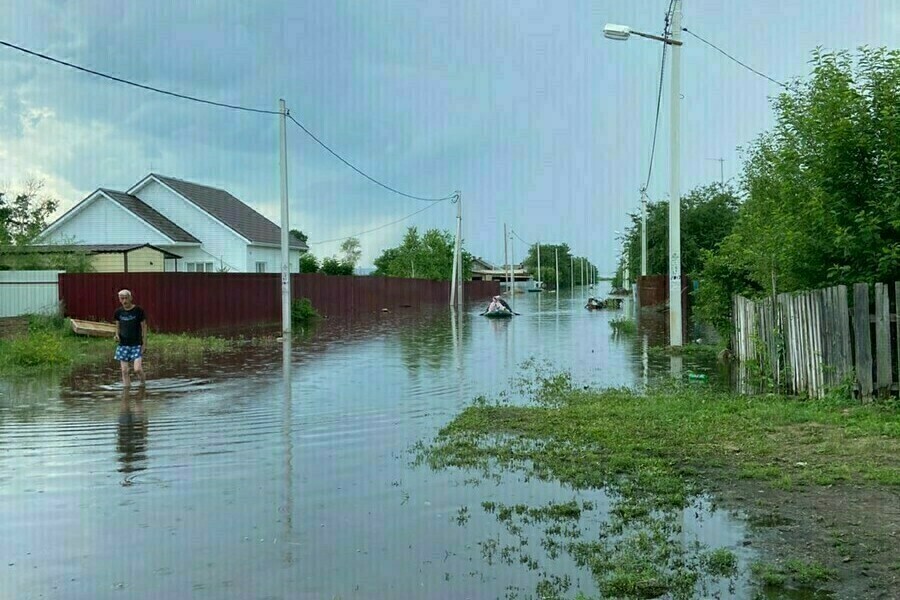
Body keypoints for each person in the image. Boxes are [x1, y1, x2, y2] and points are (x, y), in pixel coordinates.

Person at [114, 289, 147, 387]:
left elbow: (144, 327)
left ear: (131, 298)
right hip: (123, 344)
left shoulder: (138, 310)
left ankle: (143, 385)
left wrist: (144, 344)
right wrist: (116, 335)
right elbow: (117, 326)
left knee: (137, 369)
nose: (124, 301)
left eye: (126, 298)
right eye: (122, 298)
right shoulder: (118, 312)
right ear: (119, 299)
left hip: (136, 344)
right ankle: (126, 392)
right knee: (124, 371)